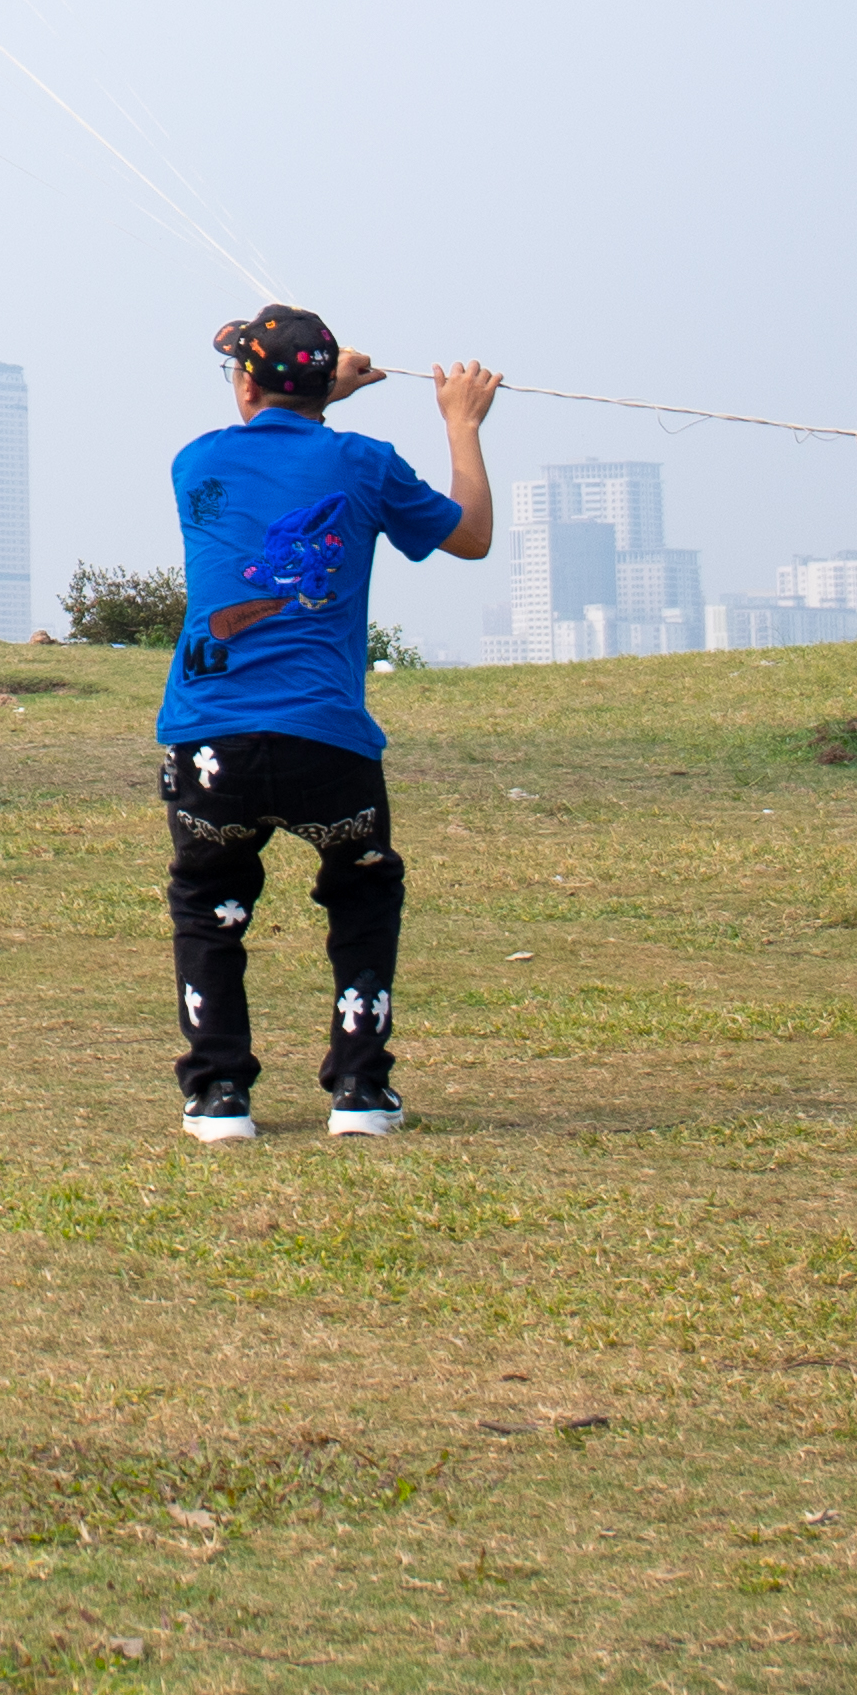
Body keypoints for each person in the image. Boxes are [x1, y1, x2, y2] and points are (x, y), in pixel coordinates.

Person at [155, 305, 502, 1146]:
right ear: (320, 387)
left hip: (211, 740)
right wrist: (461, 422)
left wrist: (313, 392)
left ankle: (218, 1095)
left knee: (212, 903)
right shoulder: (365, 465)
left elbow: (277, 440)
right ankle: (357, 1088)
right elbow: (473, 537)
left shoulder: (194, 461)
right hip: (328, 741)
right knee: (361, 894)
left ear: (245, 383)